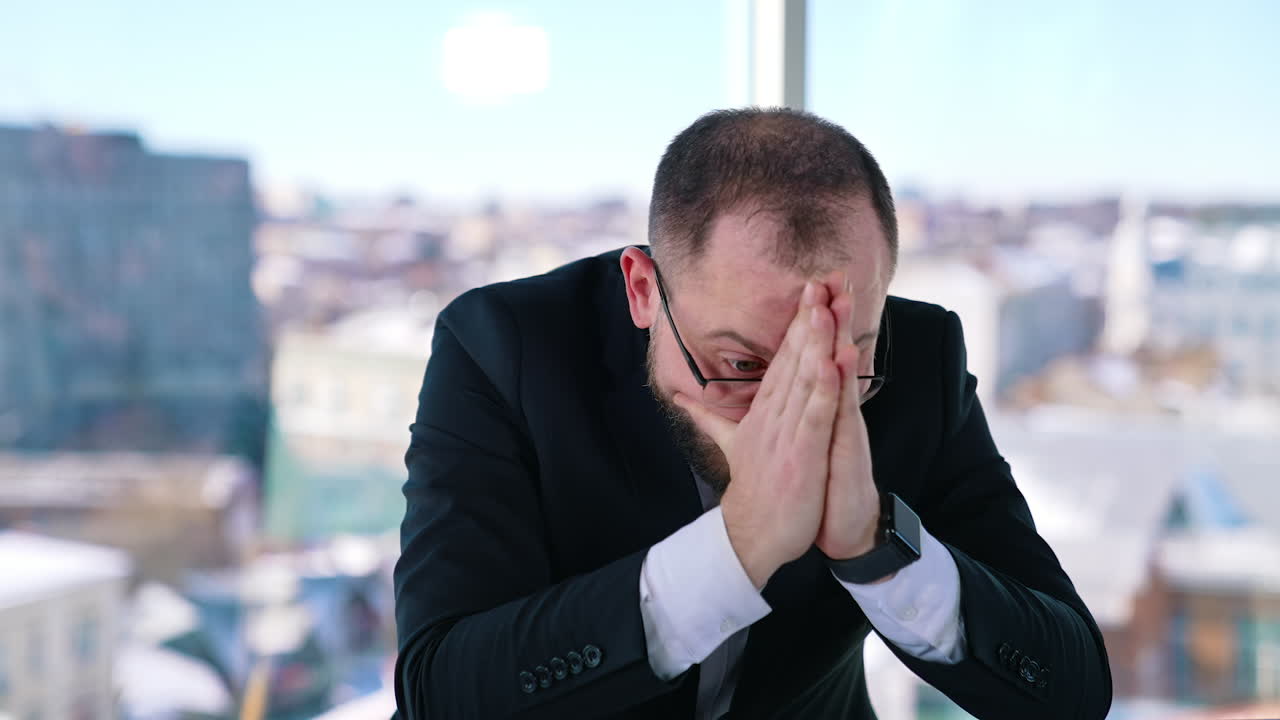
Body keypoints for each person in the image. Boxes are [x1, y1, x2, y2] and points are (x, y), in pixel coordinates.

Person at [392, 108, 1112, 719]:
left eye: (836, 358)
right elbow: (439, 690)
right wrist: (741, 545)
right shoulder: (502, 348)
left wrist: (875, 545)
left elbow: (1073, 686)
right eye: (740, 366)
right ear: (644, 291)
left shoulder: (919, 361)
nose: (784, 410)